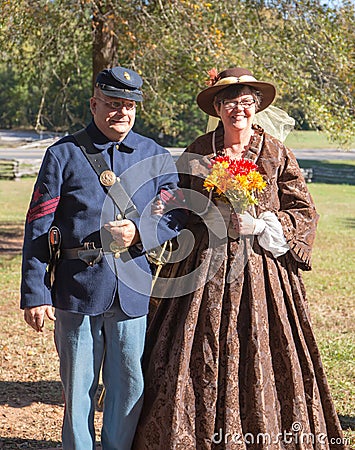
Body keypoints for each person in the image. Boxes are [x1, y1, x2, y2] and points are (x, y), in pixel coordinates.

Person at [133, 67, 346, 449]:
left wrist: (263, 224)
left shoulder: (277, 153)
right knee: (191, 351)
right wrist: (169, 211)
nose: (239, 110)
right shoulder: (199, 150)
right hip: (202, 268)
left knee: (263, 349)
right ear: (217, 107)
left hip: (262, 270)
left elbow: (304, 212)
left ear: (257, 106)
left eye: (246, 102)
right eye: (230, 102)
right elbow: (176, 199)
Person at [20, 66, 184, 450]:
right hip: (78, 289)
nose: (121, 112)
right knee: (78, 388)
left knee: (128, 387)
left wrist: (141, 233)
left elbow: (176, 213)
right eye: (112, 104)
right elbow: (39, 225)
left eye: (128, 106)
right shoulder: (63, 154)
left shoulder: (155, 156)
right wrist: (35, 292)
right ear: (94, 104)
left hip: (132, 289)